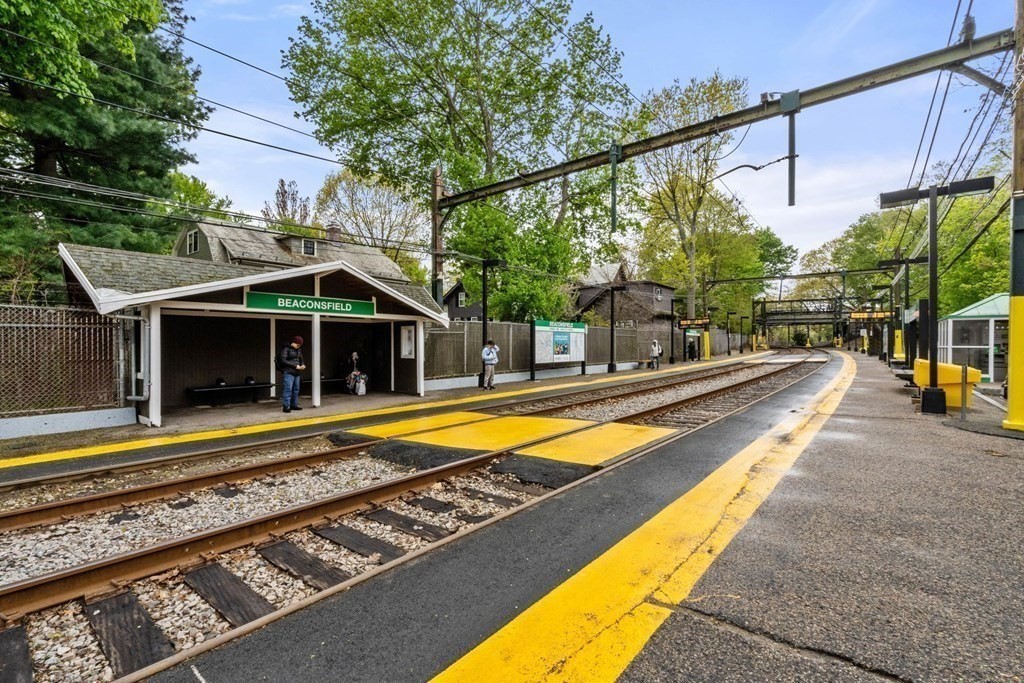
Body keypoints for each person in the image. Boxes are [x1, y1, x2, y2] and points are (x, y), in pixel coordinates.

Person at [279, 336, 306, 413]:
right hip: (288, 372)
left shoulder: (299, 350)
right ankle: (286, 406)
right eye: (297, 344)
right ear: (293, 343)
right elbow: (283, 360)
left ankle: (294, 405)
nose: (299, 346)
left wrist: (303, 365)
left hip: (297, 373)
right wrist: (294, 366)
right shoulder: (286, 349)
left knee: (296, 389)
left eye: (300, 345)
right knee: (288, 389)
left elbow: (301, 359)